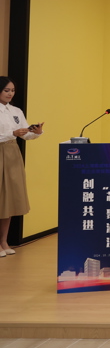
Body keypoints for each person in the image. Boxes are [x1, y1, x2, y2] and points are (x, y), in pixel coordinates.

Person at [0, 77, 44, 257]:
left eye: (12, 90)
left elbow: (24, 134)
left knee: (9, 199)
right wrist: (12, 133)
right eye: (6, 90)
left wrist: (36, 132)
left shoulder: (16, 111)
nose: (10, 93)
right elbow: (11, 133)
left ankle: (4, 241)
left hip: (12, 154)